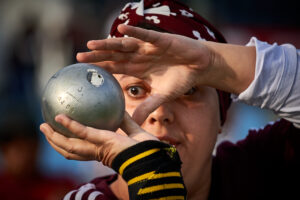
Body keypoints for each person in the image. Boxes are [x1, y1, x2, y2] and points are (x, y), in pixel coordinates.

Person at [40, 0, 300, 199]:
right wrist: (150, 176)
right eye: (135, 90)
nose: (160, 112)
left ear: (223, 115)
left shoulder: (268, 166)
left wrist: (214, 63)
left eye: (188, 91)